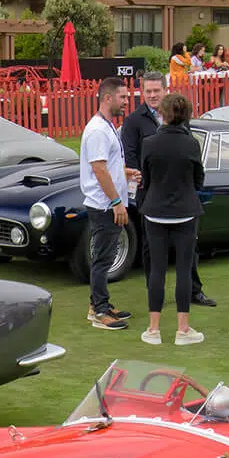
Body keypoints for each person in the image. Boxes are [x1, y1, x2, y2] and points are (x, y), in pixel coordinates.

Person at [138, 90, 207, 347]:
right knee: (183, 270)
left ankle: (153, 329)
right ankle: (182, 329)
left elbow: (146, 178)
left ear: (164, 115)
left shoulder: (149, 143)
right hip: (185, 212)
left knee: (156, 270)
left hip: (155, 211)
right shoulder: (191, 144)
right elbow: (199, 180)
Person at [80, 77, 131, 331]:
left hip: (106, 203)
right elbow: (99, 169)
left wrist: (126, 174)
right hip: (103, 205)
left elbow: (107, 165)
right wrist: (117, 202)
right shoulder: (99, 130)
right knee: (102, 259)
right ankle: (99, 311)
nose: (127, 101)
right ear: (107, 98)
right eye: (122, 97)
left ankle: (100, 303)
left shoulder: (106, 126)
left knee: (106, 256)